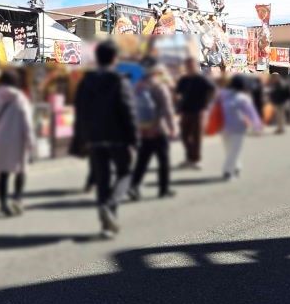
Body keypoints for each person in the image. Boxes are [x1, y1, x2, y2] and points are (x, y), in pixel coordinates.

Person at [72, 40, 138, 239]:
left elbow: (80, 111)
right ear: (114, 58)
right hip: (117, 137)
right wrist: (134, 140)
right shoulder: (119, 80)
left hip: (94, 138)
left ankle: (106, 226)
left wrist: (82, 138)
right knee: (125, 173)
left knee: (102, 180)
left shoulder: (86, 81)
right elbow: (128, 112)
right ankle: (109, 208)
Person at [0, 69, 34, 217]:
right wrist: (31, 142)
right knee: (21, 170)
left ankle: (3, 203)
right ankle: (17, 199)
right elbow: (27, 123)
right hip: (18, 140)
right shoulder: (21, 98)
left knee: (2, 174)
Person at [129, 65, 176, 200]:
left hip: (143, 129)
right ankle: (164, 189)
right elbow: (167, 109)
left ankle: (134, 185)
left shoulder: (137, 87)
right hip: (158, 129)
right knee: (163, 160)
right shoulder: (160, 87)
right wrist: (172, 127)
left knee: (142, 160)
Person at [219, 75, 264, 180]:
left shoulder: (222, 94)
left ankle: (236, 167)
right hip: (237, 127)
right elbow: (252, 113)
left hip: (222, 127)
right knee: (234, 150)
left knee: (229, 150)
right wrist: (257, 127)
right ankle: (228, 172)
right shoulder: (243, 98)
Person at [174, 57, 215, 170]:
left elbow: (212, 90)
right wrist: (178, 103)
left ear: (196, 66)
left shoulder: (202, 79)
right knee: (184, 135)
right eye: (188, 65)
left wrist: (206, 103)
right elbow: (177, 93)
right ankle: (189, 158)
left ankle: (196, 160)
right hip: (185, 111)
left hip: (199, 111)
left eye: (191, 65)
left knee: (196, 136)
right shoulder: (183, 79)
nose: (189, 67)